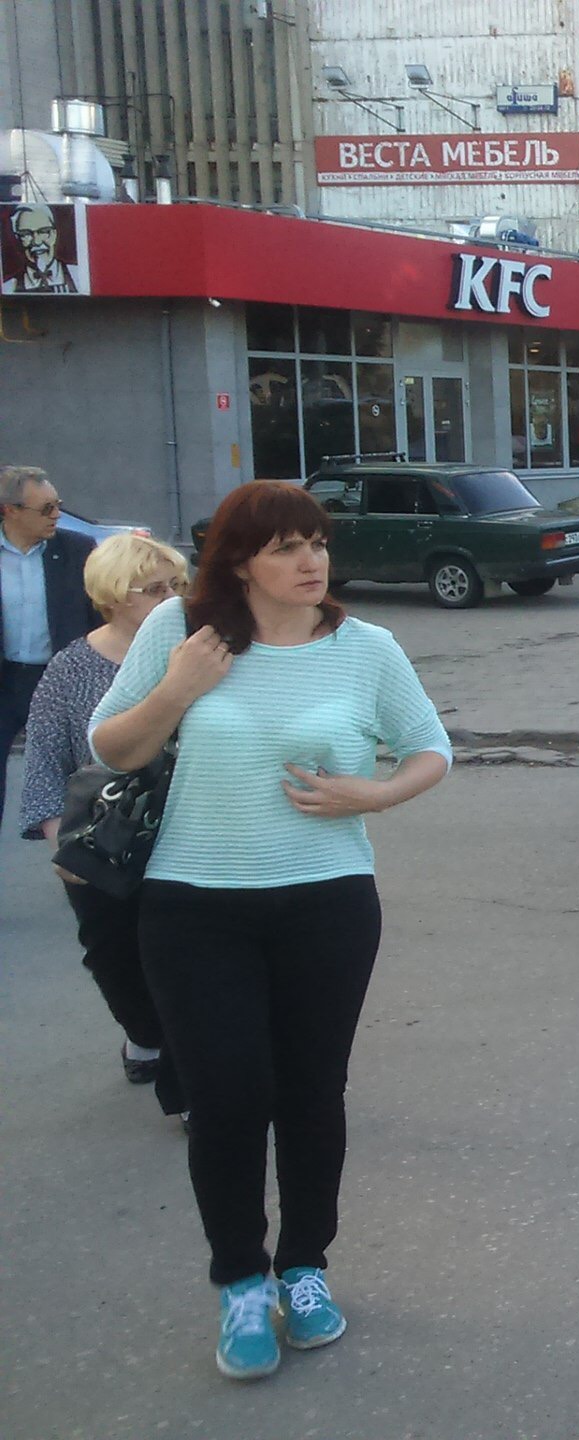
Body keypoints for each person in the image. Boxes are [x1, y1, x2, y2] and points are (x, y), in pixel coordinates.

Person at [91, 480, 452, 1383]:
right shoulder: (183, 634)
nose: (311, 561)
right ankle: (239, 1283)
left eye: (319, 542)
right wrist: (177, 690)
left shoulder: (367, 648)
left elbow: (431, 747)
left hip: (326, 901)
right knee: (225, 1097)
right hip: (192, 905)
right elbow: (113, 747)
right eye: (287, 546)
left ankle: (304, 1269)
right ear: (240, 560)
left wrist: (371, 794)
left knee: (311, 1092)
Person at [21, 533, 194, 1119]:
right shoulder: (72, 667)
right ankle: (142, 1032)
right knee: (112, 957)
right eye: (156, 589)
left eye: (178, 586)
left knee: (182, 964)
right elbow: (45, 758)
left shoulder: (196, 653)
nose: (172, 598)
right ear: (115, 597)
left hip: (185, 837)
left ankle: (189, 1082)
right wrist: (60, 843)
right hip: (102, 841)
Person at [2, 464, 100, 825]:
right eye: (46, 509)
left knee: (78, 774)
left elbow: (98, 615)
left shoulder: (78, 549)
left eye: (57, 504)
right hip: (7, 679)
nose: (57, 515)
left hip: (60, 678)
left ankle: (87, 854)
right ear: (9, 511)